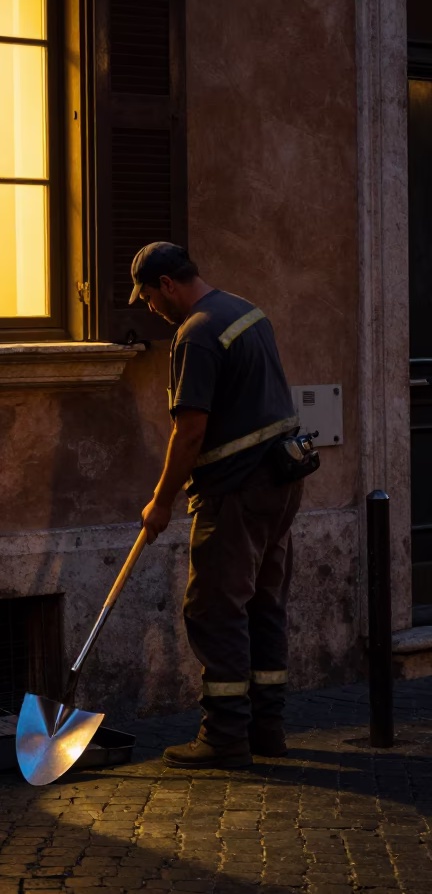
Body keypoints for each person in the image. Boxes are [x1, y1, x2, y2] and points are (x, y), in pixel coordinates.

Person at [133, 242, 304, 769]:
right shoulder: (246, 311)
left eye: (147, 297)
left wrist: (161, 502)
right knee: (262, 604)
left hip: (235, 491)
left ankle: (226, 736)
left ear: (166, 285)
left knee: (214, 608)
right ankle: (266, 729)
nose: (148, 310)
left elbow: (190, 434)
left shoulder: (198, 334)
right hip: (281, 484)